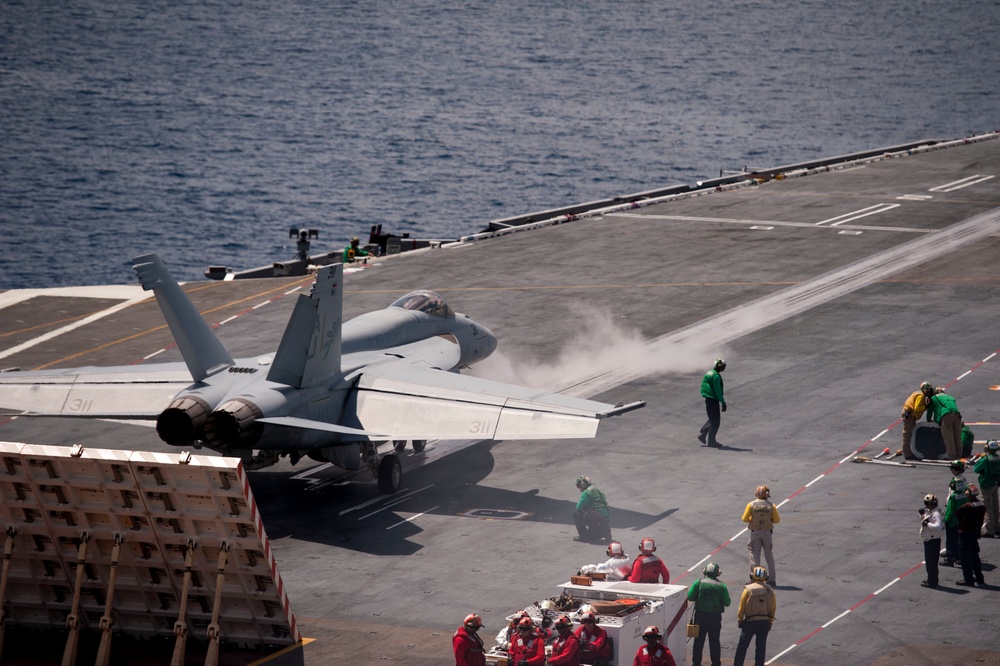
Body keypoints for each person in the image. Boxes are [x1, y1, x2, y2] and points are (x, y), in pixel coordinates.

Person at [687, 562, 731, 666]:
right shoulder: (722, 586)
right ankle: (716, 663)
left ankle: (696, 663)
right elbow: (727, 603)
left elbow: (690, 597)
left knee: (698, 642)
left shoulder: (698, 583)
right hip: (715, 617)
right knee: (714, 642)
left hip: (700, 616)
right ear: (717, 574)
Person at [733, 567, 776, 666]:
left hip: (750, 622)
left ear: (752, 576)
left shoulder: (748, 589)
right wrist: (770, 622)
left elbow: (741, 607)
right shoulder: (770, 590)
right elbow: (773, 607)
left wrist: (740, 620)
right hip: (764, 622)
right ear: (766, 577)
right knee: (761, 647)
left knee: (742, 646)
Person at [741, 485, 780, 586]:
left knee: (754, 555)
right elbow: (776, 520)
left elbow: (744, 519)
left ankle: (754, 578)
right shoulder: (772, 506)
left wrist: (752, 519)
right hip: (767, 533)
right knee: (769, 555)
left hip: (755, 533)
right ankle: (772, 579)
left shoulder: (751, 504)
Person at [954, 484, 986, 586]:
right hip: (974, 532)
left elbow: (957, 514)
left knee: (965, 558)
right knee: (975, 556)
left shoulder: (967, 506)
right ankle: (979, 577)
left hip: (964, 533)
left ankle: (968, 579)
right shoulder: (981, 505)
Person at [942, 466, 968, 567]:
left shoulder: (953, 497)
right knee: (958, 538)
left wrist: (946, 519)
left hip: (952, 520)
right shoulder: (964, 495)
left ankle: (950, 557)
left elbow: (950, 509)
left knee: (950, 539)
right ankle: (958, 556)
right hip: (960, 520)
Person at [926, 388, 963, 460]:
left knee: (949, 438)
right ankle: (959, 456)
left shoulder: (934, 398)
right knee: (957, 437)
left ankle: (952, 458)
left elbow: (930, 411)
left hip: (946, 415)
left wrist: (929, 420)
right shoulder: (950, 397)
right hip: (957, 415)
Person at [973, 440, 1000, 537]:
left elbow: (976, 469)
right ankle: (997, 527)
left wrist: (981, 458)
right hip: (995, 483)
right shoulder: (998, 458)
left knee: (987, 507)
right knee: (995, 506)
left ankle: (990, 529)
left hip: (986, 484)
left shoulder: (985, 459)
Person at [573, 476, 612, 543]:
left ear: (582, 485)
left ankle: (584, 537)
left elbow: (578, 507)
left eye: (578, 485)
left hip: (599, 520)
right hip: (605, 520)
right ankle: (605, 531)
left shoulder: (586, 493)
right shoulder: (597, 490)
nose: (578, 488)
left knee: (576, 514)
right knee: (591, 534)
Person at [698, 358, 727, 447]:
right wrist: (723, 402)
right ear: (721, 367)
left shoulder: (709, 373)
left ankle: (703, 434)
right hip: (713, 399)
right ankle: (711, 441)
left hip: (708, 398)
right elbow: (717, 391)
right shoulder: (716, 376)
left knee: (712, 418)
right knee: (716, 421)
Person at [900, 381, 934, 458]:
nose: (929, 391)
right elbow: (917, 408)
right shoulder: (920, 396)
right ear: (924, 389)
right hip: (909, 415)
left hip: (910, 414)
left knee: (911, 434)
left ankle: (910, 451)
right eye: (928, 389)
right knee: (908, 434)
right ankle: (908, 454)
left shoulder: (918, 393)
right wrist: (926, 406)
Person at [919, 493, 944, 588]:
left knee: (931, 563)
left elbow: (938, 526)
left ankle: (932, 582)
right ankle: (932, 579)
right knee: (931, 563)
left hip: (932, 540)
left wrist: (928, 524)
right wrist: (921, 515)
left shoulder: (936, 514)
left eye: (927, 503)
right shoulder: (933, 511)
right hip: (931, 539)